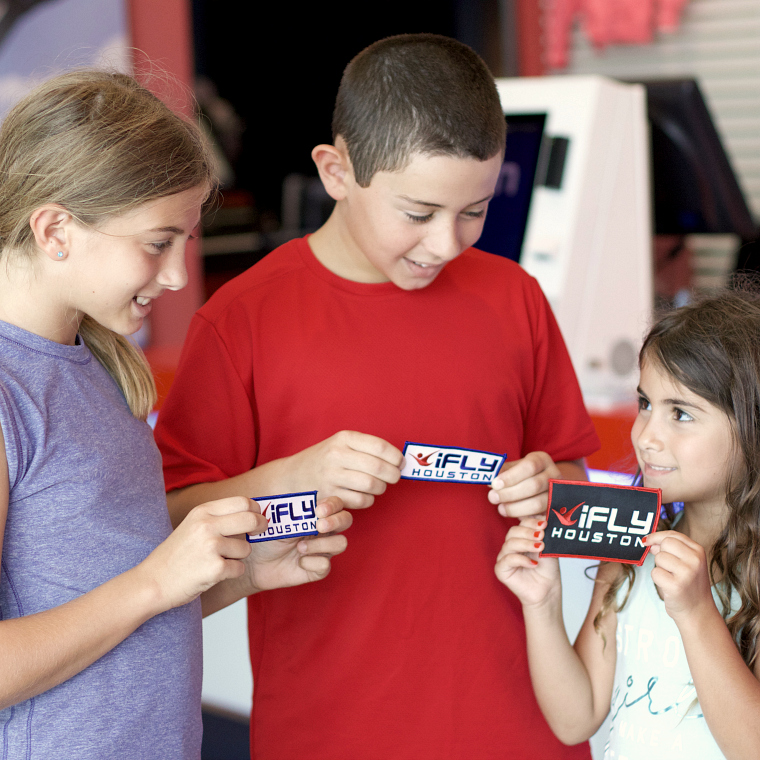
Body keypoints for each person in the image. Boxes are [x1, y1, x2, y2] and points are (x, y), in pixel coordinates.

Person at [155, 34, 599, 760]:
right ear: (336, 171)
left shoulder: (514, 297)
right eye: (418, 212)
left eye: (476, 211)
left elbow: (579, 503)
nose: (448, 244)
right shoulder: (241, 320)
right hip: (329, 728)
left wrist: (555, 495)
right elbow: (168, 530)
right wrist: (290, 479)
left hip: (521, 725)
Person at [0, 70, 352, 759]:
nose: (176, 275)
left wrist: (243, 574)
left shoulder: (99, 364)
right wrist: (158, 578)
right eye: (158, 242)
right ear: (55, 229)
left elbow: (120, 601)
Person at [495, 290, 760, 759]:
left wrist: (698, 612)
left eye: (680, 413)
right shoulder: (629, 550)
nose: (646, 435)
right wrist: (543, 604)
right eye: (644, 403)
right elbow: (576, 718)